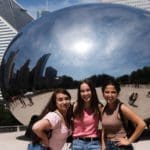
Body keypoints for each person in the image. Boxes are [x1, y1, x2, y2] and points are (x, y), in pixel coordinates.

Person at [101, 78, 146, 150]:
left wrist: (129, 141)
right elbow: (104, 129)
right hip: (108, 145)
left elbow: (142, 124)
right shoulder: (103, 109)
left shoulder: (122, 108)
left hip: (120, 146)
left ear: (117, 94)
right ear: (103, 93)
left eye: (113, 92)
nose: (110, 95)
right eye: (107, 92)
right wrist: (103, 144)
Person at [72, 79, 103, 150]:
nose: (85, 93)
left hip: (94, 144)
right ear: (79, 93)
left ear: (93, 91)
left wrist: (103, 143)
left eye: (88, 90)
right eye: (82, 91)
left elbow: (105, 125)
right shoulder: (74, 106)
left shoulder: (98, 107)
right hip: (77, 143)